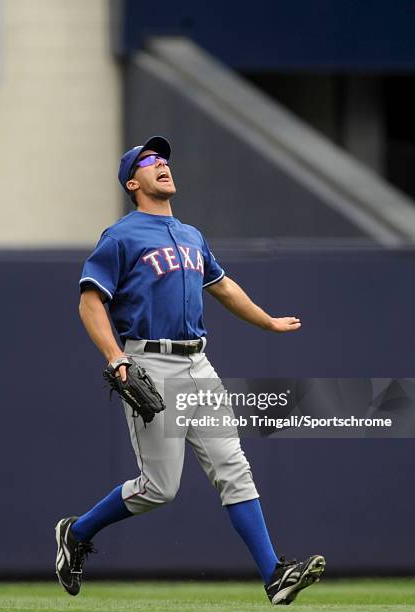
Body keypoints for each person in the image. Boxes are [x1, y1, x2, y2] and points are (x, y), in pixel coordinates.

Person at [55, 136, 325, 605]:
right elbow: (89, 301)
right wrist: (116, 358)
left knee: (234, 468)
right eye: (150, 161)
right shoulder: (120, 236)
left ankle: (274, 575)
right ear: (133, 182)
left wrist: (266, 320)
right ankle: (76, 533)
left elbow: (222, 287)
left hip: (198, 362)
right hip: (149, 361)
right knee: (160, 489)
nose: (162, 164)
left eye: (164, 159)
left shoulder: (192, 235)